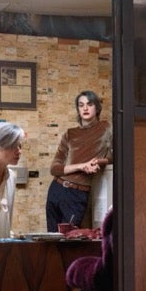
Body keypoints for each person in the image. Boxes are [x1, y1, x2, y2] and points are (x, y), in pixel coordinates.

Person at [45, 88, 110, 234]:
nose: (85, 108)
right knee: (51, 239)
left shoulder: (106, 128)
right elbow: (54, 168)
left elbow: (116, 156)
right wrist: (82, 166)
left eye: (89, 104)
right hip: (56, 189)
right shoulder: (70, 133)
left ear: (97, 108)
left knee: (70, 239)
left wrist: (98, 162)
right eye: (81, 105)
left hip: (77, 193)